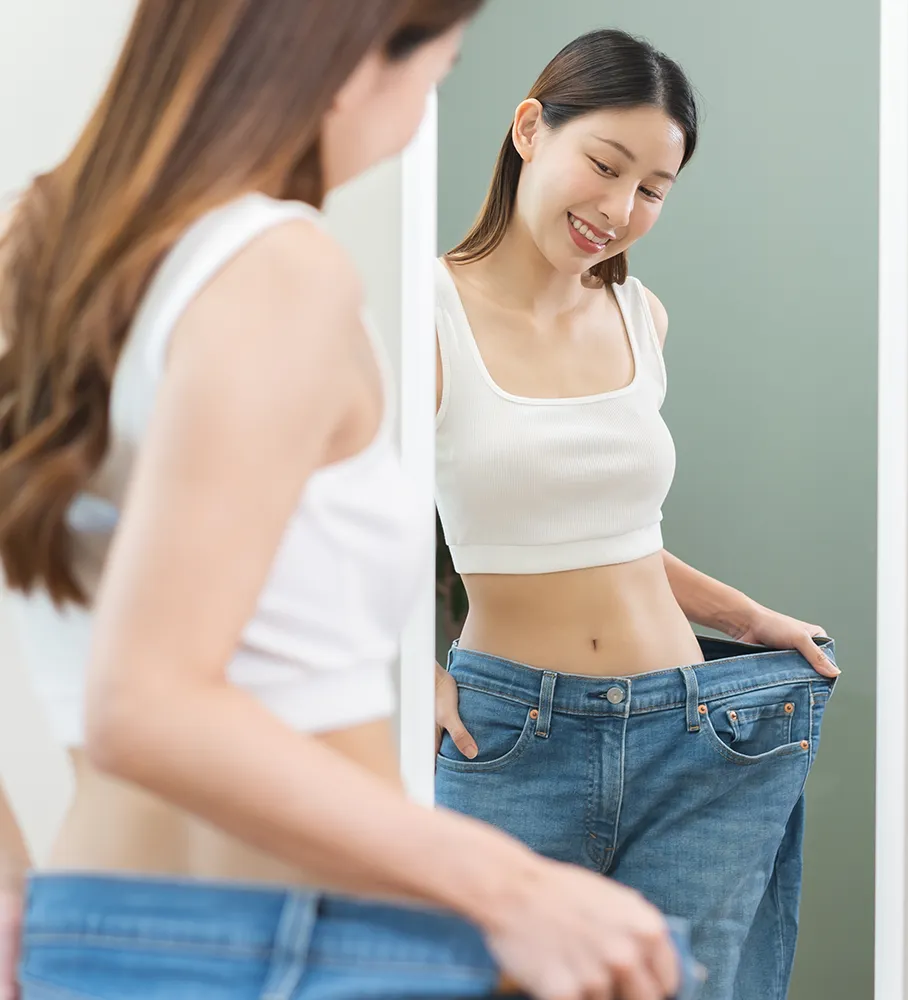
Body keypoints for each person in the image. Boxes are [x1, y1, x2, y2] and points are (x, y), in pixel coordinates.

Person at [0, 5, 695, 999]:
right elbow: (144, 701)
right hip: (308, 947)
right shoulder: (275, 266)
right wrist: (514, 889)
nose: (421, 110)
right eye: (436, 72)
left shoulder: (35, 246)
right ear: (347, 64)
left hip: (90, 934)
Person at [433, 28, 840, 1000]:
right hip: (512, 739)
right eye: (604, 165)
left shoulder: (638, 316)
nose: (618, 209)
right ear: (530, 128)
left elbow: (613, 535)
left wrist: (741, 617)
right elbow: (351, 525)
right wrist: (407, 658)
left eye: (653, 188)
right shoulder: (426, 317)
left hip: (687, 725)